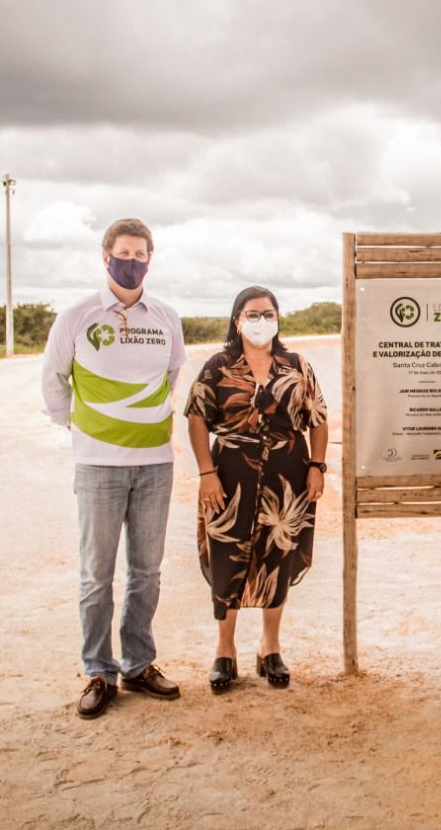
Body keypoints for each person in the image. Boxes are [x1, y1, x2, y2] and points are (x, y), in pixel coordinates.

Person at [41, 218, 187, 719]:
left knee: (146, 572)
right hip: (98, 467)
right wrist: (80, 430)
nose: (132, 261)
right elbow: (54, 380)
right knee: (96, 576)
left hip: (154, 466)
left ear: (151, 259)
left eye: (140, 254)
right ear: (106, 257)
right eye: (123, 253)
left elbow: (171, 376)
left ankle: (138, 664)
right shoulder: (77, 316)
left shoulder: (166, 317)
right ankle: (99, 672)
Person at [186, 286, 328, 693]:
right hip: (229, 473)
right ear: (237, 320)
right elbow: (197, 419)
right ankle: (225, 650)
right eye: (252, 314)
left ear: (278, 319)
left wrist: (317, 466)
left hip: (288, 474)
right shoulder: (217, 366)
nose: (261, 320)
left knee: (277, 557)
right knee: (226, 558)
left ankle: (270, 647)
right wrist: (206, 473)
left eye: (268, 313)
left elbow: (317, 419)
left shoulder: (297, 365)